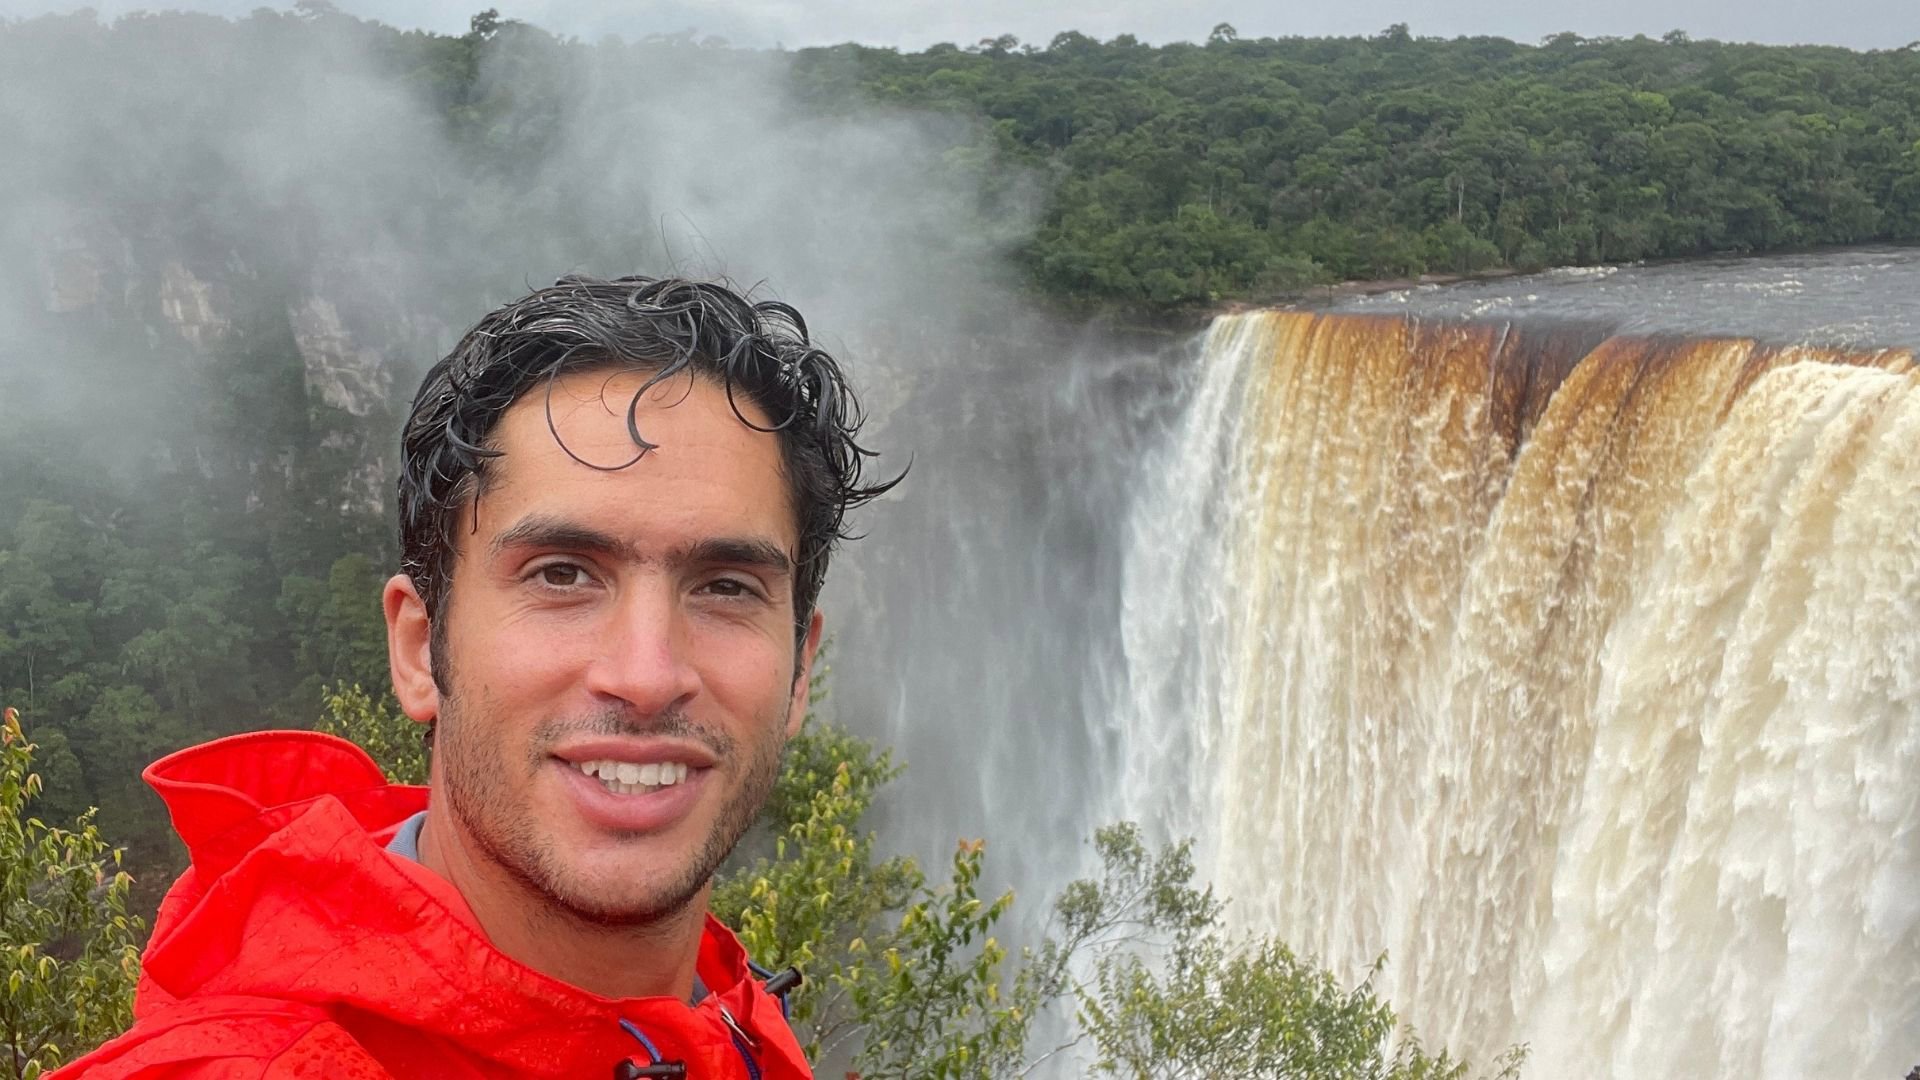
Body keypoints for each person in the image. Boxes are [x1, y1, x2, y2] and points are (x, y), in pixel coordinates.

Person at [57, 276, 898, 1079]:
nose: (647, 676)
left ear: (799, 672)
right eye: (561, 574)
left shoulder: (735, 1025)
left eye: (727, 587)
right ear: (421, 649)